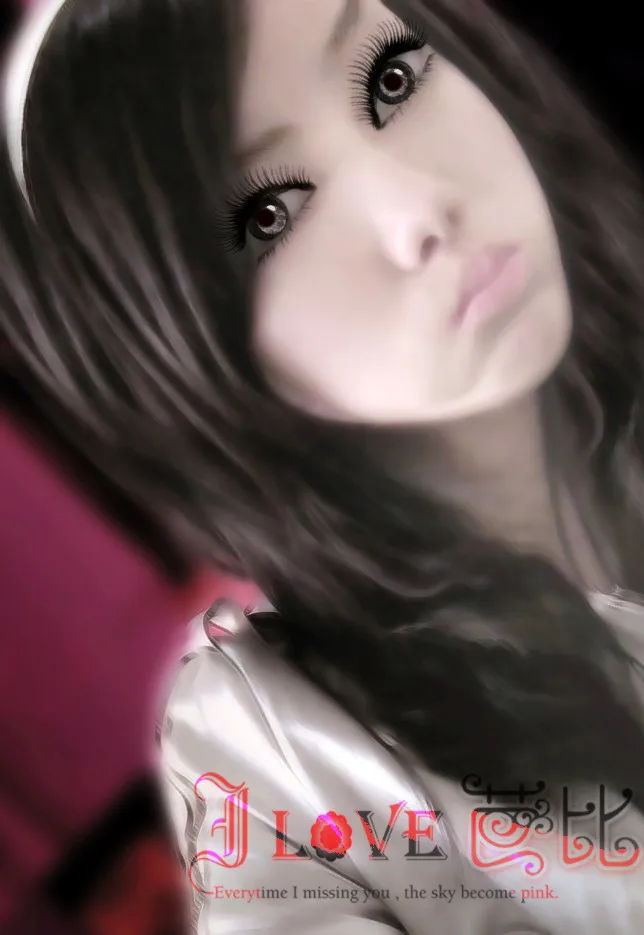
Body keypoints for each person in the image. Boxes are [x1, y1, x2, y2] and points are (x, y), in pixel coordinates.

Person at [4, 0, 644, 932]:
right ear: (173, 348)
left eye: (392, 78)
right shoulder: (278, 744)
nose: (420, 208)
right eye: (272, 213)